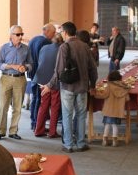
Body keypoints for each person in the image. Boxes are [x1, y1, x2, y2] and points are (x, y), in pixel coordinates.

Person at [41, 21, 98, 152]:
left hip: (68, 87)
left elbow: (59, 70)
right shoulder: (84, 46)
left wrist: (50, 85)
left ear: (65, 33)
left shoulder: (64, 47)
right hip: (83, 87)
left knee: (67, 114)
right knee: (81, 114)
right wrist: (93, 85)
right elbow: (93, 68)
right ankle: (80, 143)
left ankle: (68, 144)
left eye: (61, 31)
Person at [0, 25, 33, 140]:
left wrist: (25, 68)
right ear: (11, 35)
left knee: (17, 107)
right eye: (18, 34)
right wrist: (12, 66)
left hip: (20, 79)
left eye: (22, 34)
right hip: (6, 78)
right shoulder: (4, 48)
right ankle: (1, 131)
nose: (20, 37)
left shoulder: (26, 49)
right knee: (3, 106)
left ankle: (13, 131)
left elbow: (31, 64)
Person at [34, 33, 63, 138]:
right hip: (54, 82)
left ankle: (38, 130)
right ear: (61, 41)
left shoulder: (44, 47)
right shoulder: (62, 49)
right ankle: (52, 132)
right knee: (54, 106)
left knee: (43, 106)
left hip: (42, 79)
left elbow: (40, 61)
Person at [28, 24, 56, 129]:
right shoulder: (46, 43)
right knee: (39, 100)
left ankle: (33, 122)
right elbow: (45, 61)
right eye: (53, 33)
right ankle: (37, 124)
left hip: (32, 74)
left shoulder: (33, 39)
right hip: (41, 75)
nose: (53, 35)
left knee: (35, 98)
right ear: (47, 31)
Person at [92, 70, 130, 147]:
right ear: (120, 78)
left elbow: (104, 95)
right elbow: (127, 99)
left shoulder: (109, 86)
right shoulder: (124, 88)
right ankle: (114, 141)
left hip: (109, 110)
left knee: (107, 124)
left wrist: (95, 94)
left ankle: (105, 140)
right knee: (115, 125)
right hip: (118, 111)